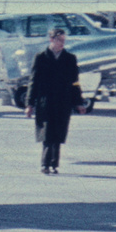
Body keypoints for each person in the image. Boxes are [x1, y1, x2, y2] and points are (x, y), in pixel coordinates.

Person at [26, 27, 84, 174]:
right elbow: (34, 81)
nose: (62, 43)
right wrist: (29, 104)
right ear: (51, 39)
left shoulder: (70, 58)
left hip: (63, 101)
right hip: (46, 101)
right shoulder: (41, 57)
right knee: (47, 133)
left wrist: (78, 102)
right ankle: (45, 164)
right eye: (59, 40)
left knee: (58, 133)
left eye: (64, 40)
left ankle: (54, 164)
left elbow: (74, 82)